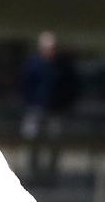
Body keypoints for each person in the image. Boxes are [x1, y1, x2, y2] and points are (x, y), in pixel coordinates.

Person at [20, 31, 80, 183]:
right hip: (36, 109)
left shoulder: (63, 66)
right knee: (31, 141)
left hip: (56, 111)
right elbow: (24, 85)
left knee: (55, 141)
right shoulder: (33, 64)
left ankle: (51, 175)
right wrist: (29, 103)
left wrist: (66, 104)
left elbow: (72, 87)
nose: (50, 51)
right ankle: (32, 173)